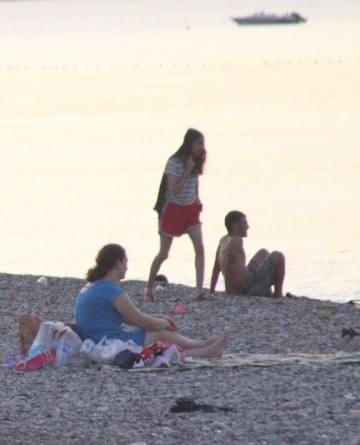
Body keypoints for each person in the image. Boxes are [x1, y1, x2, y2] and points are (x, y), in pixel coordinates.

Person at [76, 243, 228, 358]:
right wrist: (164, 324)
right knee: (158, 333)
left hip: (95, 340)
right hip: (107, 343)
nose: (127, 267)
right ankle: (203, 347)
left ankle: (205, 348)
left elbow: (128, 317)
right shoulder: (110, 290)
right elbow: (142, 321)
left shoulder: (93, 286)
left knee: (157, 334)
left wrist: (159, 318)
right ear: (117, 264)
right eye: (125, 262)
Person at [146, 128, 211, 301]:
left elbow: (195, 182)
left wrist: (197, 200)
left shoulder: (196, 161)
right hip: (173, 210)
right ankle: (149, 287)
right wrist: (187, 171)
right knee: (164, 254)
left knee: (200, 248)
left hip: (190, 209)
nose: (202, 147)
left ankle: (199, 290)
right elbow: (174, 189)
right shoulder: (174, 162)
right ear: (189, 143)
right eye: (198, 143)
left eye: (202, 143)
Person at [210, 210, 286, 297]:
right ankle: (278, 295)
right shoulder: (236, 241)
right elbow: (228, 266)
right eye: (245, 223)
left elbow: (216, 268)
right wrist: (230, 293)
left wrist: (211, 291)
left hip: (245, 280)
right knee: (278, 256)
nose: (248, 226)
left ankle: (269, 293)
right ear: (236, 226)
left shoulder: (223, 240)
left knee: (263, 253)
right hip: (245, 289)